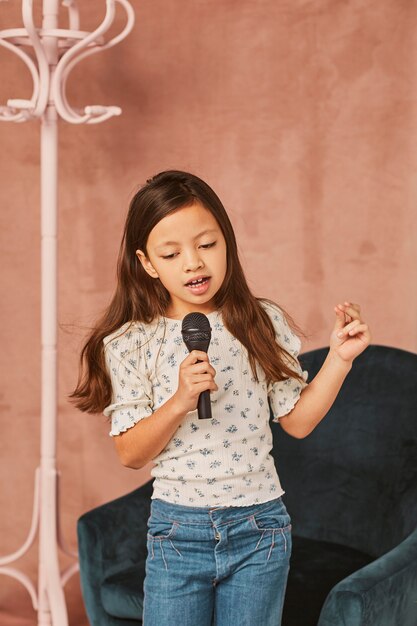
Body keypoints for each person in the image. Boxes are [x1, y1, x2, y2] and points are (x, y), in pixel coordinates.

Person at [69, 170, 371, 626]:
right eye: (172, 253)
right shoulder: (131, 342)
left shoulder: (261, 322)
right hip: (177, 532)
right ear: (148, 263)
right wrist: (178, 401)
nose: (193, 263)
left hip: (260, 529)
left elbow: (298, 421)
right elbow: (130, 453)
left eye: (207, 245)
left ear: (227, 243)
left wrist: (340, 360)